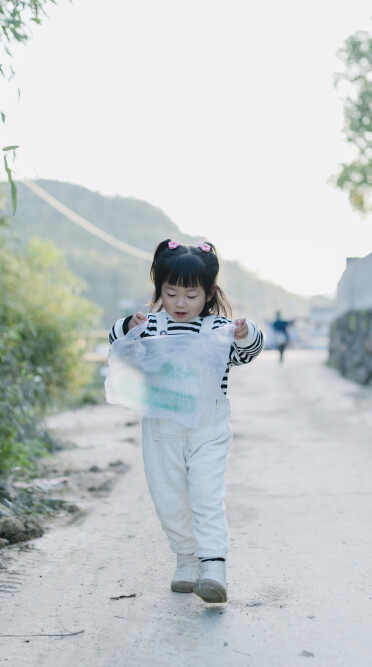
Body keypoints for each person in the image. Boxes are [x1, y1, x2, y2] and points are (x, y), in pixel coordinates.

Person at [108, 239, 263, 603]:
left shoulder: (218, 328)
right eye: (171, 292)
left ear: (209, 293)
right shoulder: (150, 325)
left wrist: (245, 334)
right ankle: (186, 562)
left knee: (207, 494)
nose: (180, 303)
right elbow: (117, 343)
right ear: (159, 290)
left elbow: (248, 353)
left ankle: (213, 567)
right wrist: (128, 325)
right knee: (169, 495)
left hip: (207, 426)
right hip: (161, 426)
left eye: (191, 295)